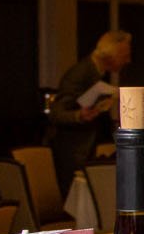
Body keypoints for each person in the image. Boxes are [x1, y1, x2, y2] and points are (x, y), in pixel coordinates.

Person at [46, 30, 130, 192]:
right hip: (72, 152)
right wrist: (79, 116)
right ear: (111, 54)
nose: (128, 61)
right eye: (124, 55)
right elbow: (56, 113)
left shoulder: (97, 73)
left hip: (85, 150)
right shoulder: (81, 73)